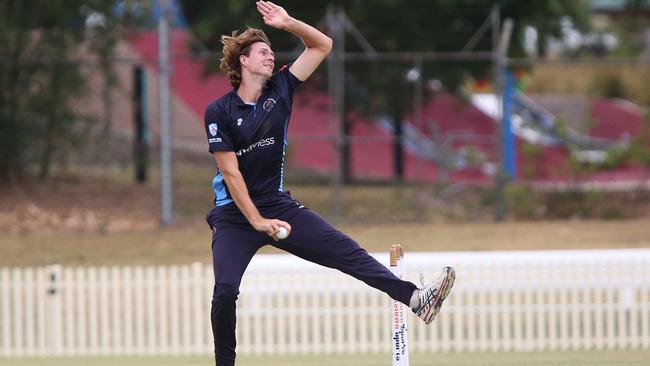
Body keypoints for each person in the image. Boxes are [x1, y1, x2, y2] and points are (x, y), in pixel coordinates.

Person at [204, 2, 455, 365]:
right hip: (234, 215)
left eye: (272, 51)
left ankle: (418, 300)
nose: (271, 57)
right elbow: (231, 174)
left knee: (346, 252)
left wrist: (288, 23)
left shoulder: (282, 89)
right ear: (243, 61)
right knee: (225, 291)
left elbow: (321, 45)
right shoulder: (219, 110)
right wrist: (257, 222)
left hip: (277, 204)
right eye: (262, 52)